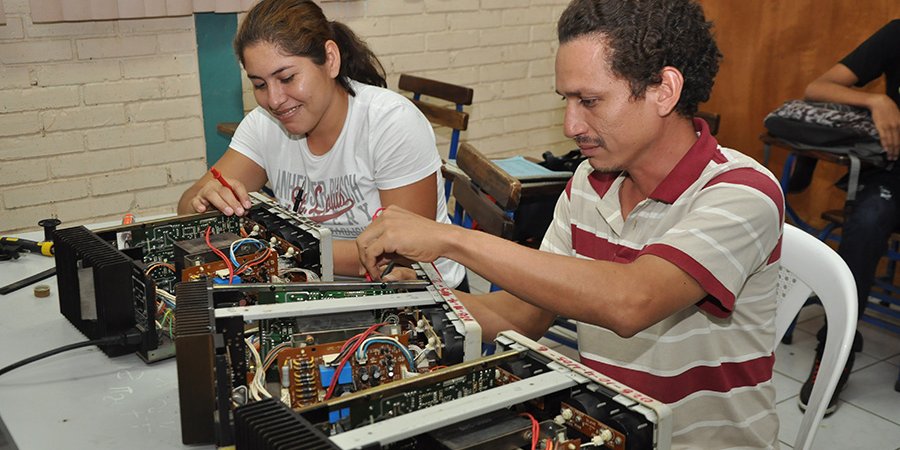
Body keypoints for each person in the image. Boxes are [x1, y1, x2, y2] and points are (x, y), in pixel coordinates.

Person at [357, 0, 784, 447]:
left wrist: (450, 240)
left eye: (590, 100)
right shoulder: (588, 183)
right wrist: (414, 306)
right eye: (567, 100)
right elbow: (523, 313)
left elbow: (631, 302)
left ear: (664, 90)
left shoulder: (742, 192)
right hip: (607, 433)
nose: (570, 124)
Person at [177, 0, 465, 288]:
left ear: (330, 59)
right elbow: (186, 208)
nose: (274, 100)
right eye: (260, 85)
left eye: (287, 78)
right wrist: (202, 201)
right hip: (319, 286)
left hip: (426, 297)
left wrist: (272, 247)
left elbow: (399, 253)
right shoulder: (264, 125)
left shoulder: (391, 123)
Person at [800, 19, 900, 412]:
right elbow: (817, 89)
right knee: (867, 219)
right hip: (892, 172)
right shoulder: (897, 33)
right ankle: (834, 348)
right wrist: (878, 100)